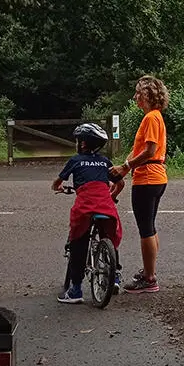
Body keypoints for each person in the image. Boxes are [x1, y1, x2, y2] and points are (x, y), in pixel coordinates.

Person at [110, 75, 169, 294]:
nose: (135, 97)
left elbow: (149, 151)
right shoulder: (154, 117)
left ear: (147, 95)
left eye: (138, 92)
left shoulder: (151, 118)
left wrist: (126, 166)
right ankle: (149, 271)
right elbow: (138, 150)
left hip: (148, 178)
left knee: (145, 229)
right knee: (150, 227)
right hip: (155, 177)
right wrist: (123, 169)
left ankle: (149, 278)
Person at [53, 122, 122, 304]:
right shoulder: (105, 162)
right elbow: (120, 183)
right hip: (106, 206)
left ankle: (76, 290)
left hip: (85, 207)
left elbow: (56, 183)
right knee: (109, 236)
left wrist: (61, 188)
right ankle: (115, 275)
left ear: (82, 143)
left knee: (79, 241)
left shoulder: (75, 160)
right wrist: (112, 196)